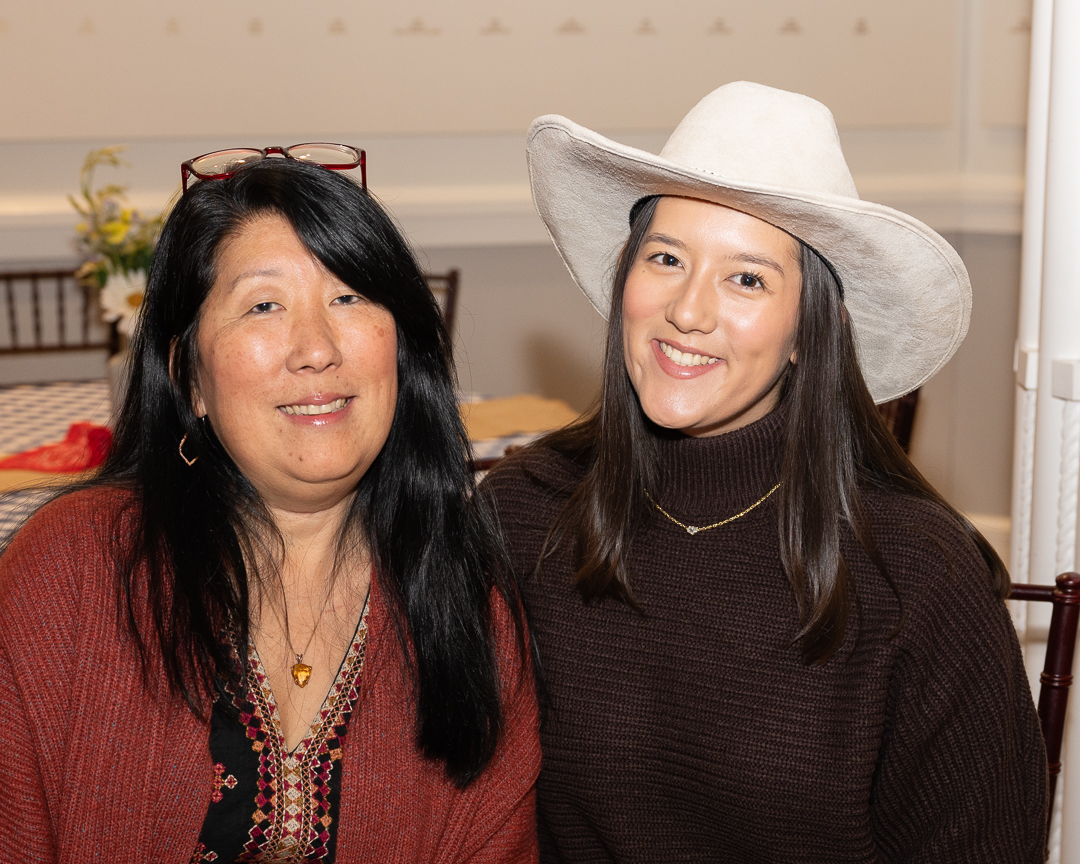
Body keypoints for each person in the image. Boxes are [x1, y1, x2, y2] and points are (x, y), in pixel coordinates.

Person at [482, 82, 1046, 862]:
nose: (688, 309)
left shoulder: (915, 575)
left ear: (810, 333)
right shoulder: (524, 512)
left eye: (746, 278)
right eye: (667, 258)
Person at [0, 151, 540, 862]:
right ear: (187, 375)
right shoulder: (68, 575)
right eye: (263, 305)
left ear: (401, 353)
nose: (316, 348)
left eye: (348, 297)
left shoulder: (467, 609)